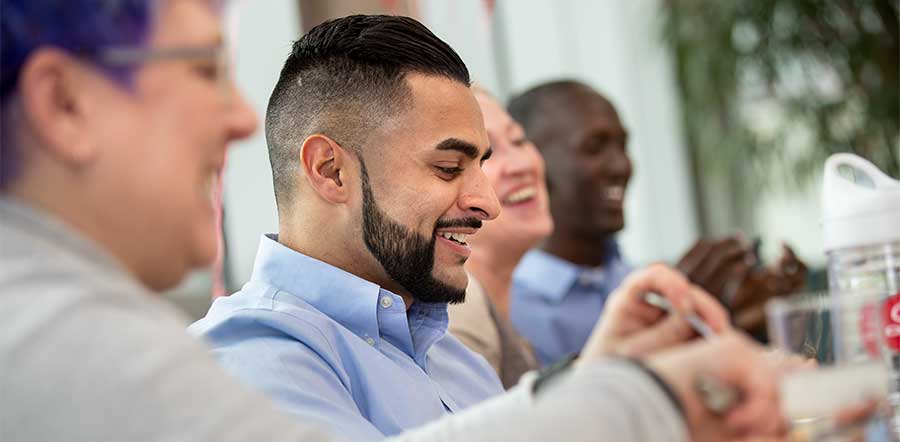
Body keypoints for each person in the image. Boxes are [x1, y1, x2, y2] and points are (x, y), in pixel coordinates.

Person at [0, 3, 789, 441]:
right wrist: (642, 397)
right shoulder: (251, 354)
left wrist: (594, 384)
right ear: (330, 170)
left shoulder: (446, 353)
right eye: (450, 168)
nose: (483, 198)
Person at [507, 79, 807, 365]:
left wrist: (750, 324)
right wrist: (678, 316)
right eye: (595, 147)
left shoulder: (642, 278)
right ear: (533, 163)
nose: (622, 166)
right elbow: (579, 410)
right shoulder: (514, 313)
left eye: (622, 145)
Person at [447, 87, 548, 388]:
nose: (522, 165)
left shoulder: (504, 304)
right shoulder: (458, 314)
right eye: (487, 153)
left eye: (519, 140)